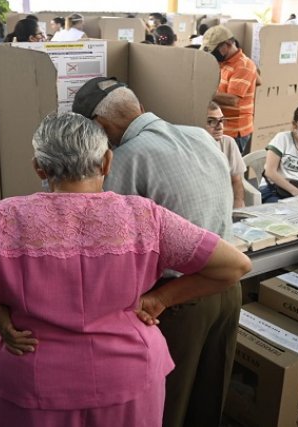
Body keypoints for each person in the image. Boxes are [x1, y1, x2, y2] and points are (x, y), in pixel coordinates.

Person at [0, 111, 250, 427]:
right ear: (108, 161)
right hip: (127, 373)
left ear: (39, 167)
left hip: (32, 374)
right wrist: (162, 298)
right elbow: (234, 266)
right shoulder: (146, 216)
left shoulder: (4, 218)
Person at [71, 77, 239, 427]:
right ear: (140, 108)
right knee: (209, 395)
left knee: (167, 403)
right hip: (227, 284)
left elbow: (107, 243)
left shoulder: (125, 158)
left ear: (100, 127)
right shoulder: (199, 135)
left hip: (177, 298)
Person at [202, 25, 259, 154]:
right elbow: (259, 81)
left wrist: (203, 92)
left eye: (214, 49)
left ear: (227, 44)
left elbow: (233, 99)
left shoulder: (243, 65)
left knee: (229, 168)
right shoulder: (224, 62)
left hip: (234, 131)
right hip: (222, 126)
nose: (212, 53)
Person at [206, 102, 246, 208]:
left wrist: (237, 209)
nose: (219, 127)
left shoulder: (228, 143)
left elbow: (237, 181)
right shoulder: (190, 148)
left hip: (225, 204)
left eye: (221, 121)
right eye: (211, 122)